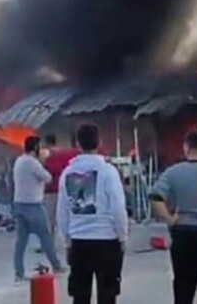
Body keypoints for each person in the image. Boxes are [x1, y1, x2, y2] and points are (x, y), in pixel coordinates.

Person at [151, 131, 197, 304]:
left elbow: (155, 197)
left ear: (186, 147)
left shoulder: (173, 172)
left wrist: (169, 219)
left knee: (183, 290)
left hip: (183, 235)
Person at [58, 123, 128, 304]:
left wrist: (66, 241)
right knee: (107, 294)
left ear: (77, 144)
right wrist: (122, 236)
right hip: (107, 241)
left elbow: (62, 212)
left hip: (79, 241)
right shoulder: (108, 171)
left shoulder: (67, 173)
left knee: (80, 296)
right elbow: (118, 208)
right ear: (99, 142)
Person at [13, 136, 64, 281]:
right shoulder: (33, 163)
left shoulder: (20, 160)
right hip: (33, 205)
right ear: (35, 148)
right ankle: (56, 265)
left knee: (21, 241)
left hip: (19, 204)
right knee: (46, 236)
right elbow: (48, 178)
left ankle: (19, 272)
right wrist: (43, 161)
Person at [43, 133, 80, 250]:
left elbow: (46, 172)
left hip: (51, 190)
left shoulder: (47, 155)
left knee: (50, 219)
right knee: (70, 216)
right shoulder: (69, 154)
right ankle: (71, 241)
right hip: (69, 189)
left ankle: (48, 244)